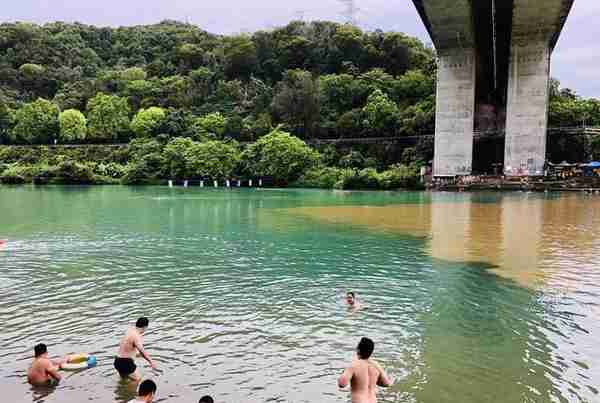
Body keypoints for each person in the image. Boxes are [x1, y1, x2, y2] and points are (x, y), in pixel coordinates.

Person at [338, 337, 393, 403]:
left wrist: (343, 373)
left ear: (358, 350)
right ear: (371, 351)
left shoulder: (354, 365)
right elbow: (386, 383)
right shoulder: (376, 365)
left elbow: (342, 384)